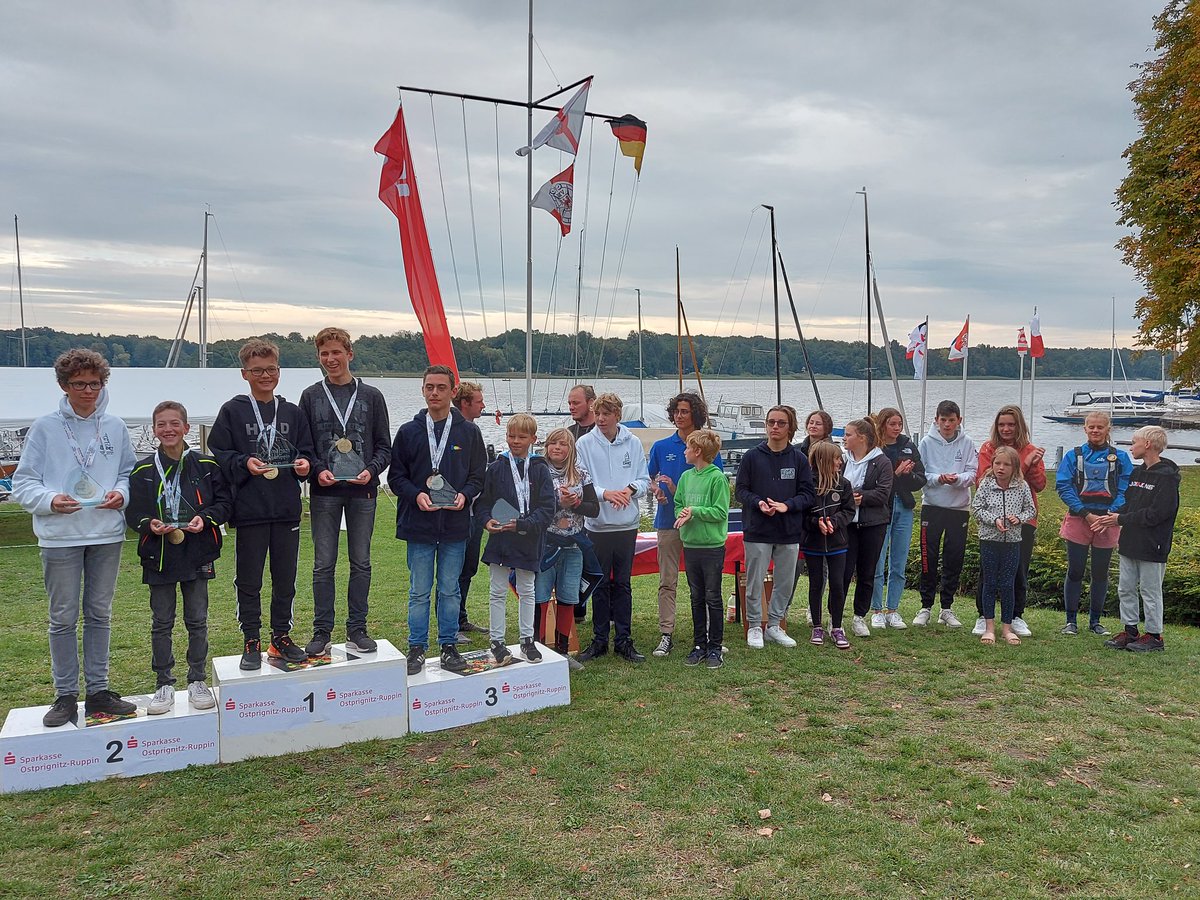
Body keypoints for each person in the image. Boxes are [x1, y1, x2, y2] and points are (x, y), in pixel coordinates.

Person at [13, 349, 139, 727]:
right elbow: (23, 481)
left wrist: (123, 494)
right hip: (59, 536)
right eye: (79, 384)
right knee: (63, 618)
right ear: (64, 386)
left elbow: (127, 472)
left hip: (105, 533)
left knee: (100, 614)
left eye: (95, 383)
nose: (88, 391)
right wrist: (50, 500)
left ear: (104, 384)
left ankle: (98, 691)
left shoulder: (115, 426)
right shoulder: (45, 427)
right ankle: (65, 695)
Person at [208, 338, 315, 669]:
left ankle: (280, 637)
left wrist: (304, 466)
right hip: (250, 509)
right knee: (249, 579)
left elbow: (307, 453)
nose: (265, 375)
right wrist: (244, 463)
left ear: (279, 371)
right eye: (257, 370)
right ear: (244, 373)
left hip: (285, 509)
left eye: (270, 369)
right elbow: (220, 453)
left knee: (285, 578)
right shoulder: (233, 410)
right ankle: (251, 639)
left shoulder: (292, 412)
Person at [126, 401, 231, 713]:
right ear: (154, 429)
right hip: (159, 554)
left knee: (197, 620)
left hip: (197, 550)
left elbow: (225, 503)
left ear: (187, 428)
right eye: (161, 424)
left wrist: (207, 518)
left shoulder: (208, 466)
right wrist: (149, 524)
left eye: (174, 423)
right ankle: (164, 684)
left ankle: (197, 679)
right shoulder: (143, 469)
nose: (168, 429)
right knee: (162, 622)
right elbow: (134, 512)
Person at [389, 365, 487, 675]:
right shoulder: (408, 431)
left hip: (455, 524)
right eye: (429, 387)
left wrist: (465, 495)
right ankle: (416, 648)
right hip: (419, 523)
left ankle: (448, 646)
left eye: (440, 387)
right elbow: (396, 477)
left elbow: (477, 476)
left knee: (449, 589)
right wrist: (415, 495)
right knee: (419, 591)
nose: (434, 392)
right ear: (422, 390)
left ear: (451, 391)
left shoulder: (469, 432)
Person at [299, 328, 391, 657]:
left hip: (362, 490)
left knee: (361, 562)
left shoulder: (371, 396)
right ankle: (322, 631)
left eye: (337, 352)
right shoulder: (310, 396)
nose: (331, 359)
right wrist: (316, 469)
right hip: (324, 491)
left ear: (350, 354)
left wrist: (372, 470)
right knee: (323, 563)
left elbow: (384, 445)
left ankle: (357, 629)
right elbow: (304, 446)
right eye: (324, 354)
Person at [647, 392, 724, 658]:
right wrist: (657, 490)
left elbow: (715, 490)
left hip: (700, 531)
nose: (679, 416)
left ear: (695, 415)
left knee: (702, 587)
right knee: (667, 581)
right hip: (668, 522)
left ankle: (705, 638)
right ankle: (666, 634)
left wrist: (677, 490)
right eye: (676, 411)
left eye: (685, 412)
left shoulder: (708, 446)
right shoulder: (660, 446)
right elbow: (650, 479)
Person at [575, 392, 650, 663]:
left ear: (618, 414)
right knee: (600, 583)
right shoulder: (584, 443)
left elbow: (643, 479)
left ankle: (624, 640)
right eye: (598, 414)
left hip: (627, 525)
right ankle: (599, 640)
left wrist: (629, 490)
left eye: (607, 414)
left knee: (623, 584)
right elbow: (581, 483)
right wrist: (606, 493)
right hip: (597, 525)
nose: (601, 419)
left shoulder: (633, 442)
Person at [733, 405, 815, 649]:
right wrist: (758, 503)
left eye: (781, 423)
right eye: (771, 422)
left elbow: (808, 495)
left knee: (785, 581)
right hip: (757, 529)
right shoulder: (751, 456)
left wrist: (786, 506)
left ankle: (775, 625)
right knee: (755, 580)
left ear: (790, 427)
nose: (775, 427)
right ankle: (755, 625)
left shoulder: (799, 459)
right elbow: (740, 491)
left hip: (788, 530)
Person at [476, 414, 555, 665]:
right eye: (511, 436)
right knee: (497, 590)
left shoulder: (540, 469)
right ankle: (497, 642)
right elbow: (483, 503)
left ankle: (527, 640)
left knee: (527, 590)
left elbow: (547, 509)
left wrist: (523, 524)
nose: (515, 441)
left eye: (522, 437)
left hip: (528, 537)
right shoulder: (497, 467)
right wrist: (486, 520)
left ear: (533, 439)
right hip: (501, 538)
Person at [1098, 425, 1179, 652]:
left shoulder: (1167, 478)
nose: (1130, 446)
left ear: (1148, 445)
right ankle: (1130, 630)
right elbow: (1131, 504)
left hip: (1154, 544)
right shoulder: (1137, 473)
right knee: (1125, 588)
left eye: (1134, 442)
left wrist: (1122, 519)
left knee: (1150, 590)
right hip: (1130, 542)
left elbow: (1158, 514)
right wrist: (1111, 517)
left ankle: (1154, 635)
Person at [1054, 411, 1133, 636]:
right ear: (1085, 429)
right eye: (1091, 427)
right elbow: (1064, 486)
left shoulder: (1120, 457)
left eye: (1100, 427)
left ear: (1109, 429)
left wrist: (1111, 514)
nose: (1095, 431)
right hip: (1080, 519)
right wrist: (1085, 513)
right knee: (1076, 570)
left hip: (1108, 521)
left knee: (1100, 572)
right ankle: (1071, 621)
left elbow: (1127, 487)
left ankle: (1095, 621)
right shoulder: (1074, 456)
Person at [971, 405, 1046, 637]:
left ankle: (1015, 615)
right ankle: (985, 616)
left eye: (1011, 425)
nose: (1006, 428)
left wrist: (1032, 464)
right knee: (988, 571)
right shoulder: (988, 449)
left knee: (1018, 570)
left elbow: (1041, 484)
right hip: (991, 526)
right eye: (1002, 424)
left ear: (1019, 426)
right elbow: (984, 480)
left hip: (1021, 523)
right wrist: (1024, 464)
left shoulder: (1030, 449)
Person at [536, 428, 601, 671]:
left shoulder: (581, 474)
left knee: (568, 598)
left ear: (571, 448)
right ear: (546, 447)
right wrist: (556, 503)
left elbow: (594, 509)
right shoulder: (538, 472)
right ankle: (538, 649)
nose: (557, 448)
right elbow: (533, 507)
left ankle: (563, 651)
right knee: (541, 597)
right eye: (553, 443)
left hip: (574, 544)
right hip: (546, 543)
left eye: (563, 444)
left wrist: (576, 504)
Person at [914, 400, 978, 628]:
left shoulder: (967, 442)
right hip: (932, 506)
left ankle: (947, 608)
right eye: (943, 420)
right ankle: (925, 606)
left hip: (958, 508)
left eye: (952, 420)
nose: (947, 425)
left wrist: (958, 480)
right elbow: (920, 473)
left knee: (954, 557)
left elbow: (973, 473)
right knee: (928, 558)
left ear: (959, 421)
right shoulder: (926, 442)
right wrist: (938, 478)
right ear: (936, 420)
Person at [673, 430, 730, 669]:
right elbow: (678, 504)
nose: (684, 451)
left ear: (697, 451)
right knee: (696, 597)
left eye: (687, 447)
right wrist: (682, 514)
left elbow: (720, 512)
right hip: (691, 545)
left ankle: (715, 647)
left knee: (712, 597)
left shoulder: (717, 478)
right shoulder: (686, 477)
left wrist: (694, 511)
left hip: (712, 547)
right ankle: (699, 645)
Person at [971, 446, 1036, 646]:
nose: (1001, 468)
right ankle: (989, 627)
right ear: (992, 464)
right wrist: (995, 519)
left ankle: (1007, 628)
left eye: (1006, 464)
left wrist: (1019, 518)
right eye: (997, 463)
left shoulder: (1022, 485)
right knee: (989, 583)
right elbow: (976, 508)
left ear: (1014, 466)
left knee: (1008, 584)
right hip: (989, 540)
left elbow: (1031, 509)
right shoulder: (986, 484)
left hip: (1013, 542)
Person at [869, 408, 925, 630]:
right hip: (881, 509)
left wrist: (907, 474)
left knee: (898, 562)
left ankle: (893, 609)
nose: (897, 428)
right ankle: (876, 610)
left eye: (899, 424)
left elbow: (920, 479)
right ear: (883, 424)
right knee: (877, 560)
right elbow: (872, 482)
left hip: (903, 507)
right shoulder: (875, 448)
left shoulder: (909, 447)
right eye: (892, 424)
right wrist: (895, 472)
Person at [803, 441, 857, 649]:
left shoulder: (844, 484)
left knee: (837, 583)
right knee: (816, 583)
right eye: (836, 458)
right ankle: (817, 626)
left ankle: (836, 627)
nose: (840, 461)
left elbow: (849, 511)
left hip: (838, 543)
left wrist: (834, 522)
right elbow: (802, 514)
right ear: (824, 460)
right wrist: (816, 523)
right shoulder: (807, 485)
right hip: (813, 542)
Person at [842, 418, 893, 638]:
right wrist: (847, 498)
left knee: (867, 572)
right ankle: (836, 618)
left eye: (848, 434)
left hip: (873, 524)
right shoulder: (843, 459)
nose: (844, 438)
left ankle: (859, 617)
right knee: (842, 572)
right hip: (847, 525)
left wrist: (861, 497)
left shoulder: (882, 462)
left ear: (861, 438)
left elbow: (883, 493)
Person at [451, 380, 490, 640]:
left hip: (475, 512)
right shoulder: (451, 430)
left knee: (468, 567)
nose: (483, 405)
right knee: (451, 570)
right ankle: (450, 623)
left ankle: (461, 618)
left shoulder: (473, 430)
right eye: (478, 401)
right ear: (465, 403)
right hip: (456, 511)